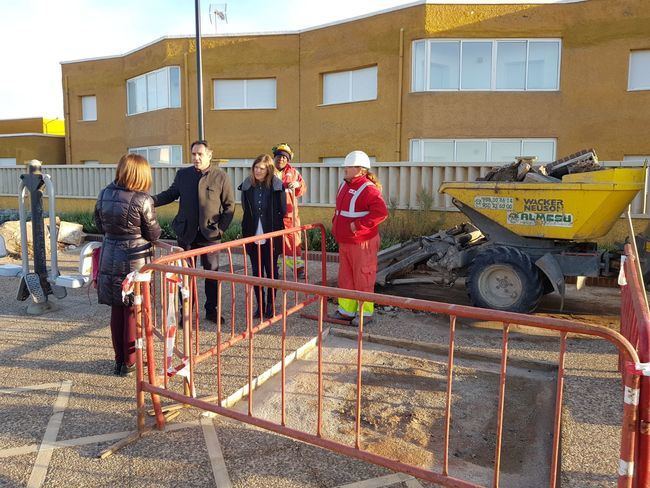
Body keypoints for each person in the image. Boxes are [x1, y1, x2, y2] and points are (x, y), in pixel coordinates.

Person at [152, 140, 235, 323]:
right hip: (186, 234)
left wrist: (220, 229)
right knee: (185, 276)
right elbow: (170, 194)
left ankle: (212, 310)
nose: (196, 158)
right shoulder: (183, 175)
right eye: (194, 154)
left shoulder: (221, 177)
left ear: (209, 155)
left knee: (211, 274)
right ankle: (187, 312)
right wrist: (149, 201)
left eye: (200, 154)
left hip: (210, 235)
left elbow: (229, 206)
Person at [94, 154, 162, 376]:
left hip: (110, 254)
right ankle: (131, 361)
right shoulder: (143, 199)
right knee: (133, 309)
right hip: (134, 259)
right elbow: (153, 232)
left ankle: (119, 360)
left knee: (117, 309)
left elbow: (98, 224)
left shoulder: (105, 193)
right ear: (141, 174)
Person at [331, 151, 388, 326]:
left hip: (362, 242)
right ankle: (346, 311)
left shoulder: (368, 188)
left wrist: (357, 226)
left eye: (349, 167)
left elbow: (381, 212)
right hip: (347, 240)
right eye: (346, 166)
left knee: (363, 277)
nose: (345, 169)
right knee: (346, 277)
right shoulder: (344, 185)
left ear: (361, 170)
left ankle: (366, 314)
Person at [238, 154, 286, 319]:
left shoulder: (276, 186)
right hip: (252, 234)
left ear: (269, 170)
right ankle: (260, 306)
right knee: (256, 271)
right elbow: (245, 209)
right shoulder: (247, 186)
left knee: (271, 271)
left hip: (272, 233)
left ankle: (270, 305)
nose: (258, 171)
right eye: (255, 167)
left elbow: (283, 210)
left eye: (262, 168)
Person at [272, 143, 307, 277]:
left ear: (288, 160)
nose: (281, 159)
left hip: (290, 215)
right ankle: (274, 268)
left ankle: (298, 269)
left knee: (293, 242)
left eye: (284, 157)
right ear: (274, 157)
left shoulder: (293, 173)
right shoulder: (268, 172)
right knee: (275, 243)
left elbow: (302, 188)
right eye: (279, 156)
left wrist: (297, 185)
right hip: (273, 214)